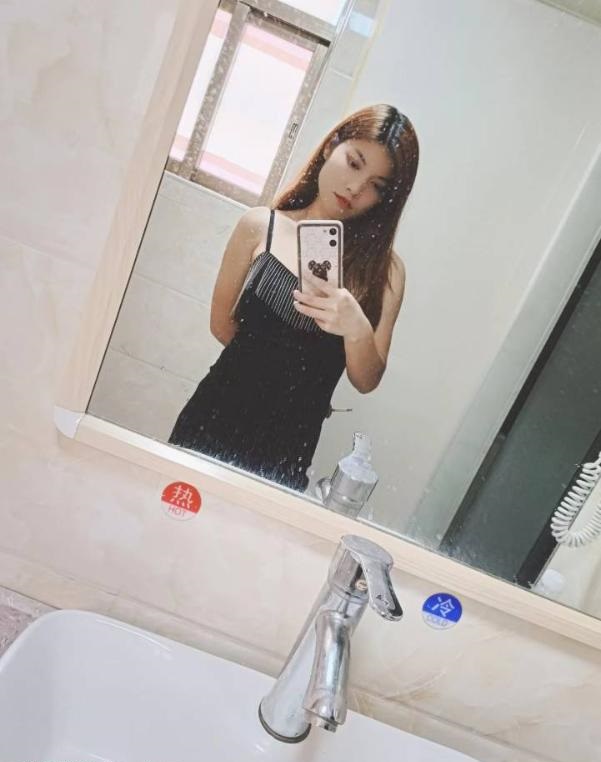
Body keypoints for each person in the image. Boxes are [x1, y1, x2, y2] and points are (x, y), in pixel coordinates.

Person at [168, 103, 420, 492]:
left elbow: (366, 379)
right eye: (354, 163)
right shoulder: (260, 226)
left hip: (288, 448)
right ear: (331, 146)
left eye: (377, 186)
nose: (356, 188)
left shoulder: (386, 273)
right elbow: (221, 325)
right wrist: (268, 373)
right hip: (213, 416)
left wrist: (355, 327)